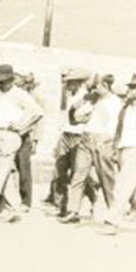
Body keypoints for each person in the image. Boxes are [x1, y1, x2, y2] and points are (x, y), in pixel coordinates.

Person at [0, 64, 43, 222]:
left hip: (10, 136)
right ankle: (16, 208)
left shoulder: (19, 94)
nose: (1, 84)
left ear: (11, 80)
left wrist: (22, 126)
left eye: (3, 81)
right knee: (4, 173)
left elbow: (37, 112)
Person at [101, 74, 136, 235]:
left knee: (122, 187)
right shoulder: (125, 109)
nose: (129, 90)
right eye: (129, 87)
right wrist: (114, 149)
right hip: (124, 150)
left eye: (133, 88)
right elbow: (119, 131)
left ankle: (112, 221)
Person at [62, 74, 121, 223]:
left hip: (102, 139)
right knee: (78, 174)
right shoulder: (95, 99)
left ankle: (114, 212)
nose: (95, 89)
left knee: (106, 178)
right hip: (86, 137)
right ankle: (73, 211)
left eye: (98, 86)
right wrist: (87, 101)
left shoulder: (114, 102)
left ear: (106, 86)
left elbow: (114, 124)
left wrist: (106, 139)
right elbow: (77, 114)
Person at [50, 68, 90, 216]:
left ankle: (89, 201)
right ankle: (62, 205)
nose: (67, 85)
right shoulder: (70, 97)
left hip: (78, 136)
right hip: (66, 135)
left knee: (77, 173)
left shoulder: (88, 97)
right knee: (60, 169)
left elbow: (86, 119)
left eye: (70, 82)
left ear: (78, 83)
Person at [16, 72, 45, 210]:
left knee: (24, 168)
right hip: (14, 134)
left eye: (27, 84)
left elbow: (40, 122)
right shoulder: (17, 97)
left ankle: (26, 201)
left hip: (27, 136)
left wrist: (36, 141)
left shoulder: (36, 99)